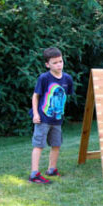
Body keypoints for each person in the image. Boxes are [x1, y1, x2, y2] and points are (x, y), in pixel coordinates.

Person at [28, 47, 74, 184]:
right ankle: (34, 174)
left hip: (57, 119)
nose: (59, 65)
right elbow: (35, 96)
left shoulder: (67, 79)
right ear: (47, 64)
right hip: (43, 118)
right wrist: (35, 114)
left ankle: (52, 169)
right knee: (39, 145)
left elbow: (65, 96)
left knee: (56, 144)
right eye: (55, 63)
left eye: (60, 61)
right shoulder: (44, 78)